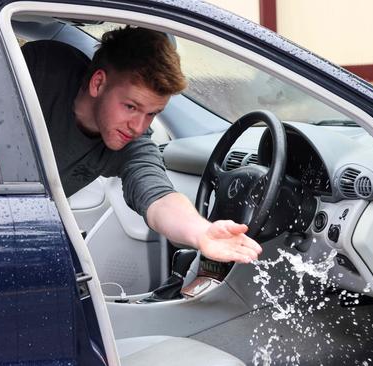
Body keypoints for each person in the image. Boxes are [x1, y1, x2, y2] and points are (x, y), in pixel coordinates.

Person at [21, 26, 261, 264]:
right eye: (131, 107)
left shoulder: (131, 142)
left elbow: (159, 198)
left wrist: (201, 232)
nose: (138, 126)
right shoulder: (40, 71)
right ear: (98, 83)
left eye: (152, 114)